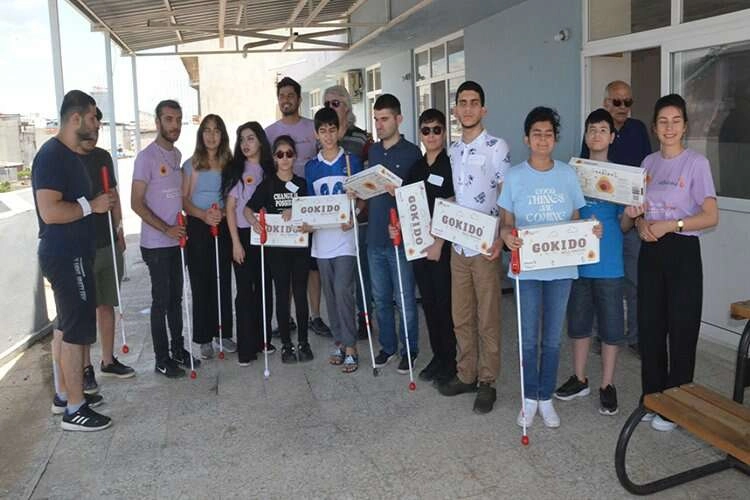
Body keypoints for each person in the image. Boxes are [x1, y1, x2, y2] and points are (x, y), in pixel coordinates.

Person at [621, 93, 719, 432]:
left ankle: (677, 404)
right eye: (663, 121)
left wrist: (672, 225)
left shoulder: (696, 164)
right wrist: (639, 222)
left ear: (685, 126)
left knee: (681, 329)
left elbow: (711, 216)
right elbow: (632, 217)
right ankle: (653, 396)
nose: (669, 127)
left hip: (682, 252)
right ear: (654, 127)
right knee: (650, 327)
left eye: (676, 121)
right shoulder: (647, 164)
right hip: (651, 252)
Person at [498, 107, 597, 428]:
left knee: (552, 339)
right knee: (528, 339)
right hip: (526, 270)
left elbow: (576, 219)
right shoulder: (514, 176)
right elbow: (506, 222)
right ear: (526, 139)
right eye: (536, 134)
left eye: (548, 134)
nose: (542, 139)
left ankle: (545, 398)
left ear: (555, 139)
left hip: (561, 270)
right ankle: (529, 398)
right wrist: (506, 236)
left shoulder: (567, 174)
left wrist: (590, 231)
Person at [33, 90, 113, 430]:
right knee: (75, 331)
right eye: (93, 117)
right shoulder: (52, 156)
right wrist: (91, 206)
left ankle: (66, 395)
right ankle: (75, 410)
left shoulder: (68, 155)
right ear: (76, 118)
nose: (97, 124)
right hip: (66, 255)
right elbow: (49, 211)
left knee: (68, 326)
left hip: (75, 252)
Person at [438, 81, 510, 415]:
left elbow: (505, 196)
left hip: (485, 247)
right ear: (455, 110)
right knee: (462, 316)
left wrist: (501, 237)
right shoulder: (453, 150)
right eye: (462, 102)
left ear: (484, 109)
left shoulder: (497, 147)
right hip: (458, 246)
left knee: (488, 318)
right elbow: (460, 195)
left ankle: (487, 381)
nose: (467, 108)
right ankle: (466, 373)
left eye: (474, 102)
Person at [555, 109, 625, 416]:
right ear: (585, 135)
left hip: (609, 262)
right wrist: (580, 227)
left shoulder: (621, 176)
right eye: (592, 130)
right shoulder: (572, 172)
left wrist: (631, 214)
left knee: (611, 327)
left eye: (603, 130)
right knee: (579, 323)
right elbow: (565, 213)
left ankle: (607, 384)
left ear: (612, 137)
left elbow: (625, 225)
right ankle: (580, 378)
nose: (597, 135)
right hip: (578, 261)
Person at [132, 100, 200, 378]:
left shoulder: (177, 155)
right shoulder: (145, 157)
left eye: (178, 120)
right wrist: (165, 229)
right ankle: (161, 359)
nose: (175, 125)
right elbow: (136, 203)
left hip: (177, 242)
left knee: (176, 299)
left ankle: (178, 349)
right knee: (161, 301)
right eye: (169, 119)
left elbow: (176, 197)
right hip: (156, 244)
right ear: (158, 122)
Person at [582, 81, 652, 354]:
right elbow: (584, 171)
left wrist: (640, 213)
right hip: (602, 220)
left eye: (628, 102)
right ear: (606, 102)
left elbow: (646, 170)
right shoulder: (595, 130)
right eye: (617, 101)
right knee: (601, 280)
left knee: (634, 280)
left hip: (631, 215)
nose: (623, 107)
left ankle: (635, 336)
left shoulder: (638, 130)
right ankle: (602, 335)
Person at [266, 77, 330, 337]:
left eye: (291, 95)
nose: (286, 100)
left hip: (310, 204)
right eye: (282, 95)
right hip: (281, 209)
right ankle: (288, 318)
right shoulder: (269, 132)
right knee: (286, 267)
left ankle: (315, 316)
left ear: (299, 99)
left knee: (311, 266)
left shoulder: (311, 127)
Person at [78, 106, 135, 392]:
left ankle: (108, 360)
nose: (96, 130)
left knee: (107, 303)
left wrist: (119, 229)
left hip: (107, 242)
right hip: (82, 247)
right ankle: (84, 368)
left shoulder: (102, 157)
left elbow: (113, 195)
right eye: (93, 123)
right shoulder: (68, 158)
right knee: (84, 310)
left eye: (98, 125)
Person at [366, 94, 422, 374]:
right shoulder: (373, 152)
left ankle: (409, 350)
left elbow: (419, 198)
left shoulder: (413, 153)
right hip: (374, 237)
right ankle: (387, 347)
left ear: (399, 119)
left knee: (404, 299)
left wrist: (399, 193)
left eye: (384, 119)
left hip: (400, 239)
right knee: (380, 298)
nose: (379, 124)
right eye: (376, 119)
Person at [305, 107, 363, 372]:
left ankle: (351, 346)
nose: (328, 136)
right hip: (322, 241)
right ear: (316, 134)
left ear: (339, 131)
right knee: (330, 294)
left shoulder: (351, 161)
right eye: (323, 131)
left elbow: (362, 197)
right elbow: (309, 203)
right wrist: (306, 222)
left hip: (345, 237)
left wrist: (355, 213)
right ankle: (339, 341)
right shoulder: (312, 167)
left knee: (343, 290)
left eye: (332, 130)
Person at [246, 135, 313, 363]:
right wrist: (254, 222)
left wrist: (300, 216)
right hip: (277, 251)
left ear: (295, 157)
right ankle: (286, 345)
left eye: (289, 154)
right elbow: (248, 209)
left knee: (300, 295)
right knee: (282, 295)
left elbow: (311, 213)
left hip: (300, 248)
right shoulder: (268, 184)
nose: (285, 158)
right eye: (280, 154)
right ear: (274, 158)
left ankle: (303, 341)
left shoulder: (302, 184)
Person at [402, 108, 456, 384]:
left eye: (437, 130)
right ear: (420, 134)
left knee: (445, 305)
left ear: (444, 133)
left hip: (443, 249)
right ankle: (438, 356)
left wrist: (439, 242)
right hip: (419, 248)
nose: (432, 135)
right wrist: (397, 226)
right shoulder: (416, 168)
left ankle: (451, 362)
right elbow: (405, 204)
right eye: (426, 130)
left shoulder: (451, 166)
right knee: (429, 304)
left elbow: (453, 204)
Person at [182, 114, 235, 359]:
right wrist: (203, 215)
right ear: (200, 134)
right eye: (207, 130)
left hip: (222, 224)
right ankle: (203, 337)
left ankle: (223, 333)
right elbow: (184, 200)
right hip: (198, 225)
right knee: (201, 281)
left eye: (216, 130)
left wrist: (221, 213)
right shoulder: (191, 165)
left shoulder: (229, 164)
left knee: (222, 279)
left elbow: (233, 196)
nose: (211, 136)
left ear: (222, 135)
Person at [323, 84, 373, 339]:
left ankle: (365, 318)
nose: (330, 108)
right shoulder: (322, 139)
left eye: (335, 103)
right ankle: (344, 323)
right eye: (326, 104)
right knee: (341, 279)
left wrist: (360, 206)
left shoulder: (361, 138)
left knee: (361, 272)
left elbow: (370, 177)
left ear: (347, 107)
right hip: (332, 224)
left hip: (358, 218)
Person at [223, 122, 272, 366]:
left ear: (260, 141)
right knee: (245, 292)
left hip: (267, 237)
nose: (245, 144)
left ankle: (263, 340)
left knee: (264, 289)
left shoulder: (270, 169)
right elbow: (230, 208)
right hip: (242, 236)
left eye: (250, 138)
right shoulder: (237, 171)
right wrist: (235, 243)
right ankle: (246, 348)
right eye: (242, 139)